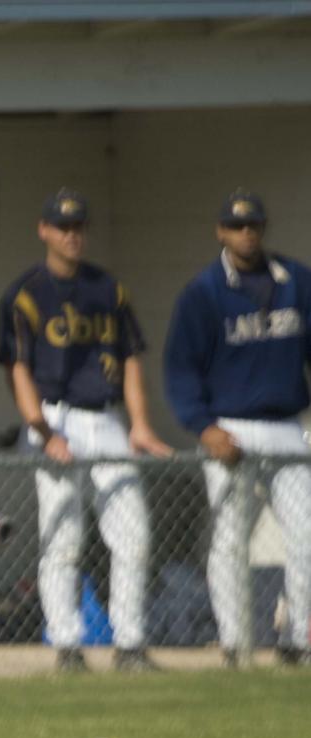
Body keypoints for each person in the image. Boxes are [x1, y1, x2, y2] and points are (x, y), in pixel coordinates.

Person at [0, 190, 173, 674]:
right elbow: (18, 369)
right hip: (56, 417)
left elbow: (131, 356)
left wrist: (139, 423)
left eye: (78, 226)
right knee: (63, 537)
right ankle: (67, 645)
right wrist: (42, 429)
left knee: (134, 532)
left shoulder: (108, 288)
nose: (72, 234)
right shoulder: (25, 292)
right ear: (44, 230)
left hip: (107, 417)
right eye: (62, 226)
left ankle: (131, 642)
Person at [164, 189, 311, 668]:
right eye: (236, 225)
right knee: (229, 539)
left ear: (263, 228)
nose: (246, 233)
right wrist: (204, 428)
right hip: (231, 429)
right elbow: (181, 369)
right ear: (220, 231)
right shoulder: (203, 292)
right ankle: (235, 643)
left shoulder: (296, 281)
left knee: (306, 535)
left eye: (253, 225)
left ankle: (299, 640)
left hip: (289, 425)